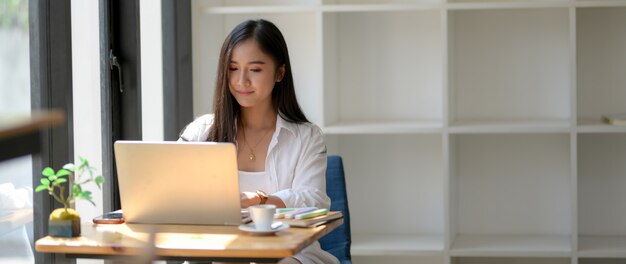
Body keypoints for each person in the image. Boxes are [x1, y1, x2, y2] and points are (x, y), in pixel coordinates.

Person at [178, 19, 339, 264]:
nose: (241, 80)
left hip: (291, 254)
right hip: (219, 253)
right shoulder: (201, 132)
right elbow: (171, 191)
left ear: (279, 73)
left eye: (254, 69)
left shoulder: (306, 137)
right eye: (233, 68)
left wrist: (259, 200)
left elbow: (313, 200)